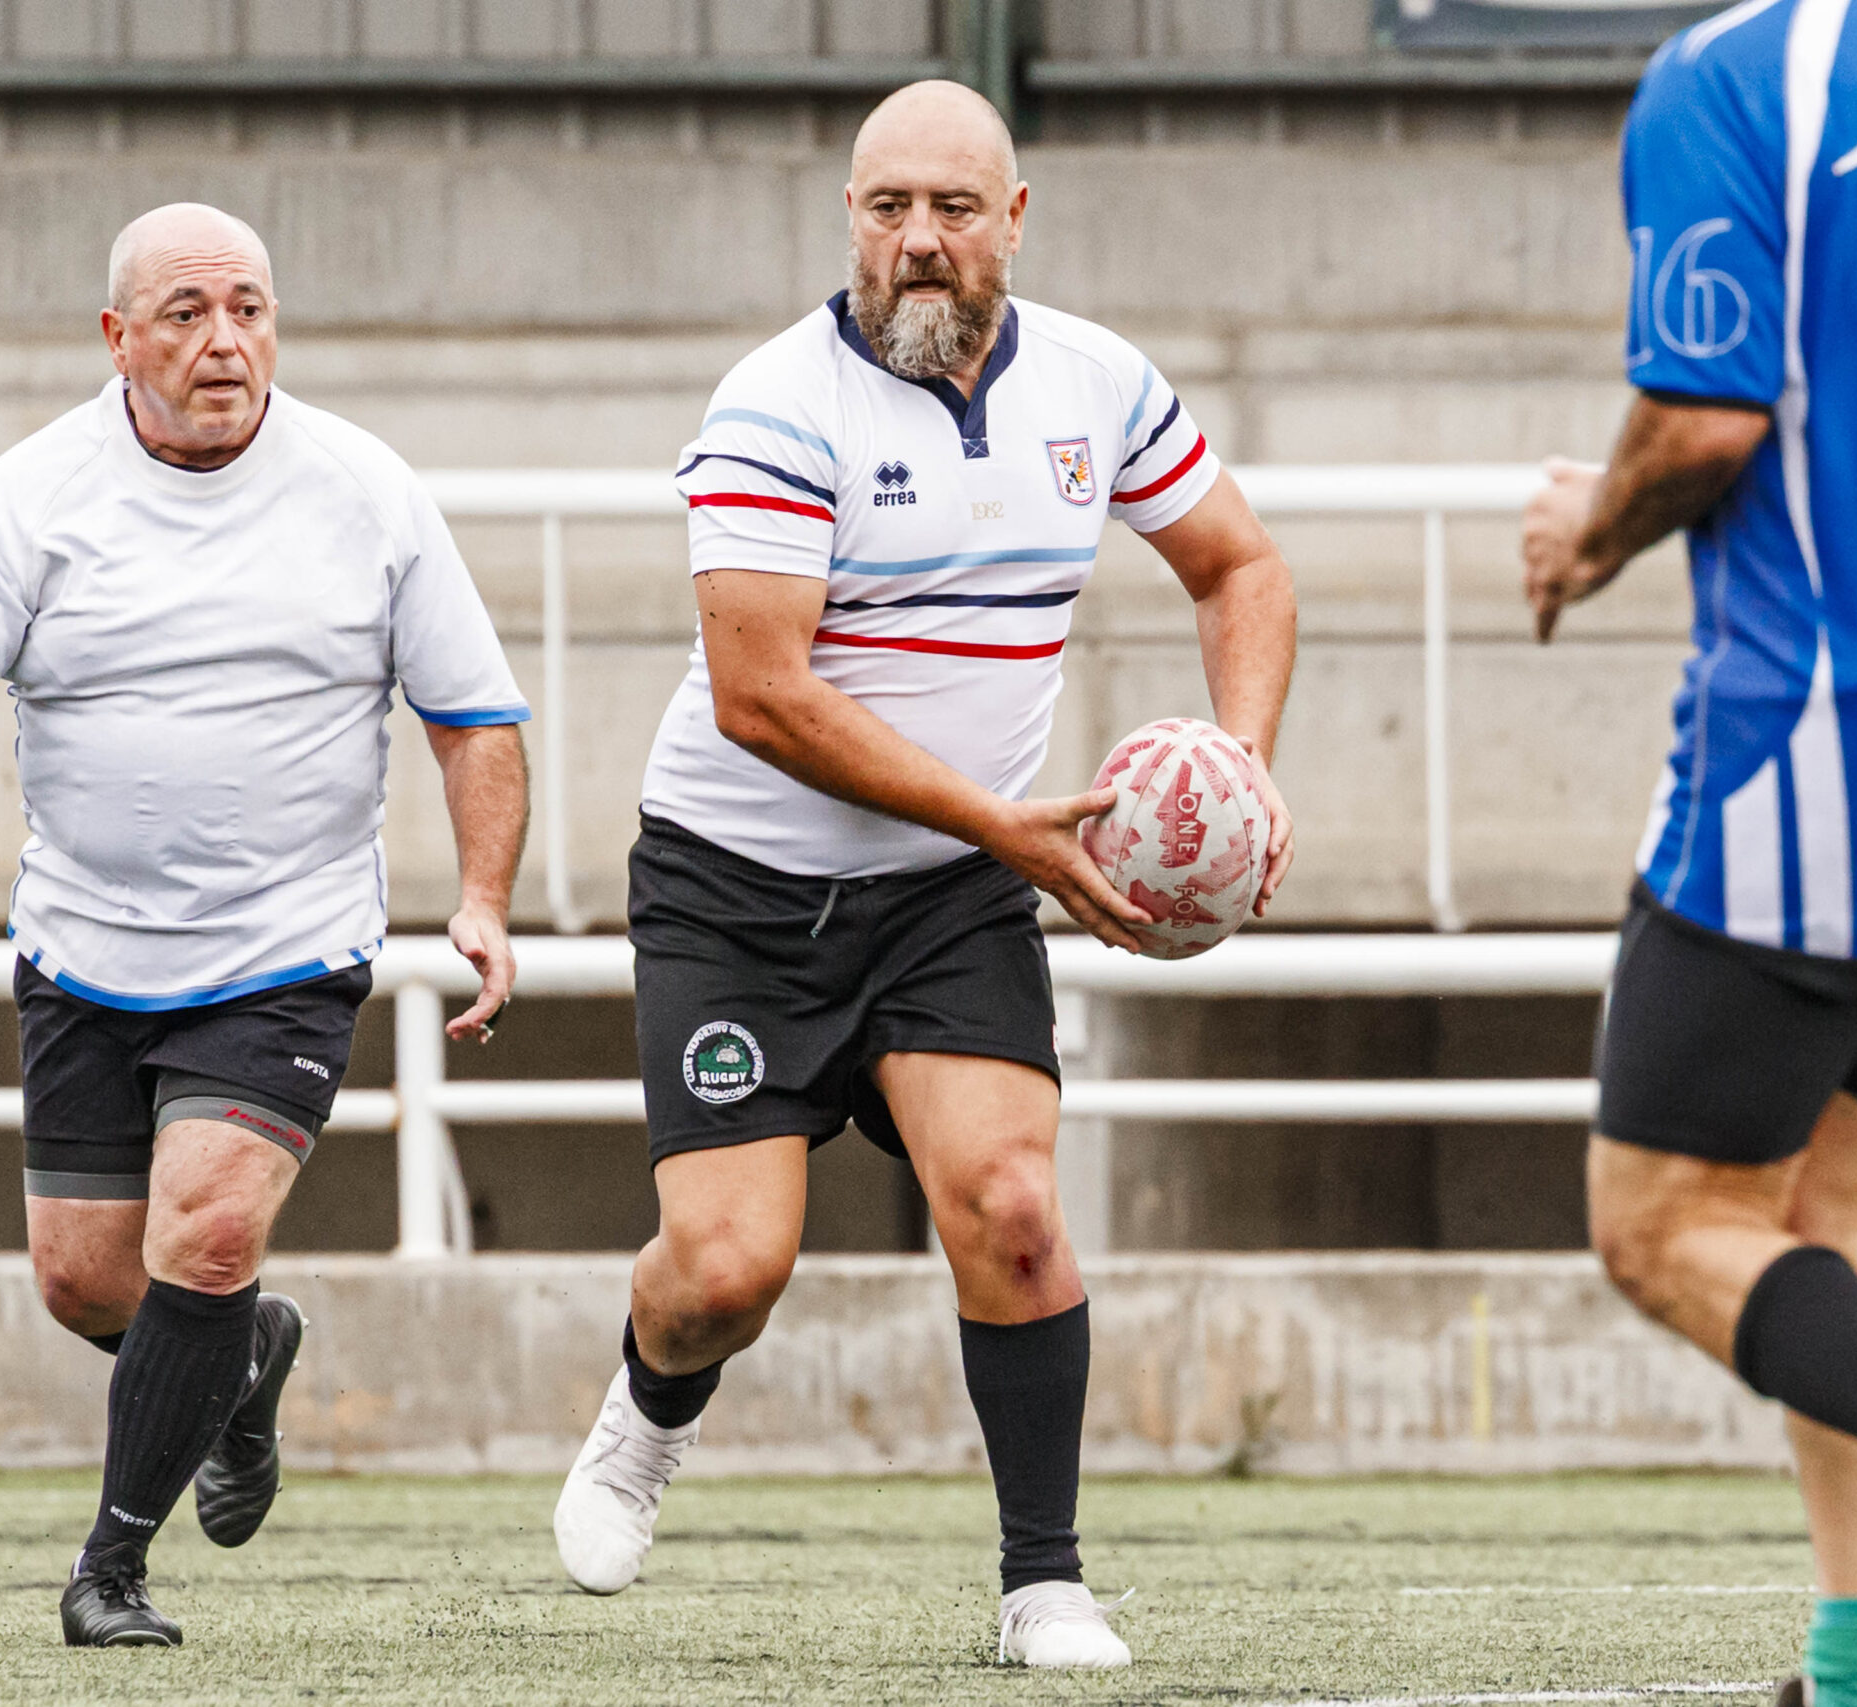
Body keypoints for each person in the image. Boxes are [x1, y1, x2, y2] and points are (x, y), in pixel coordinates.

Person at [549, 80, 1298, 1670]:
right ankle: (646, 1407)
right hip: (737, 889)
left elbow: (1240, 565)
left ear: (1013, 220)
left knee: (1013, 1205)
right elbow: (761, 693)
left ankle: (1044, 1582)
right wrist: (1001, 823)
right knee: (729, 1271)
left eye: (954, 209)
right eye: (888, 209)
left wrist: (1240, 768)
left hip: (949, 889)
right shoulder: (775, 403)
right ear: (851, 224)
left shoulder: (1100, 385)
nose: (920, 243)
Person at [0, 202, 530, 1648]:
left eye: (248, 305)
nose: (224, 339)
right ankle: (243, 1367)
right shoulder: (30, 498)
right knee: (83, 1279)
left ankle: (110, 1566)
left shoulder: (366, 489)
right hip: (85, 951)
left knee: (209, 1226)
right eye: (184, 311)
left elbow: (475, 720)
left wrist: (482, 898)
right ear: (118, 339)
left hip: (287, 951)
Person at [1520, 5, 1857, 1705]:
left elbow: (1706, 422)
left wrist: (1589, 526)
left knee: (1658, 1222)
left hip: (1836, 729)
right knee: (1822, 1197)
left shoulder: (1732, 72)